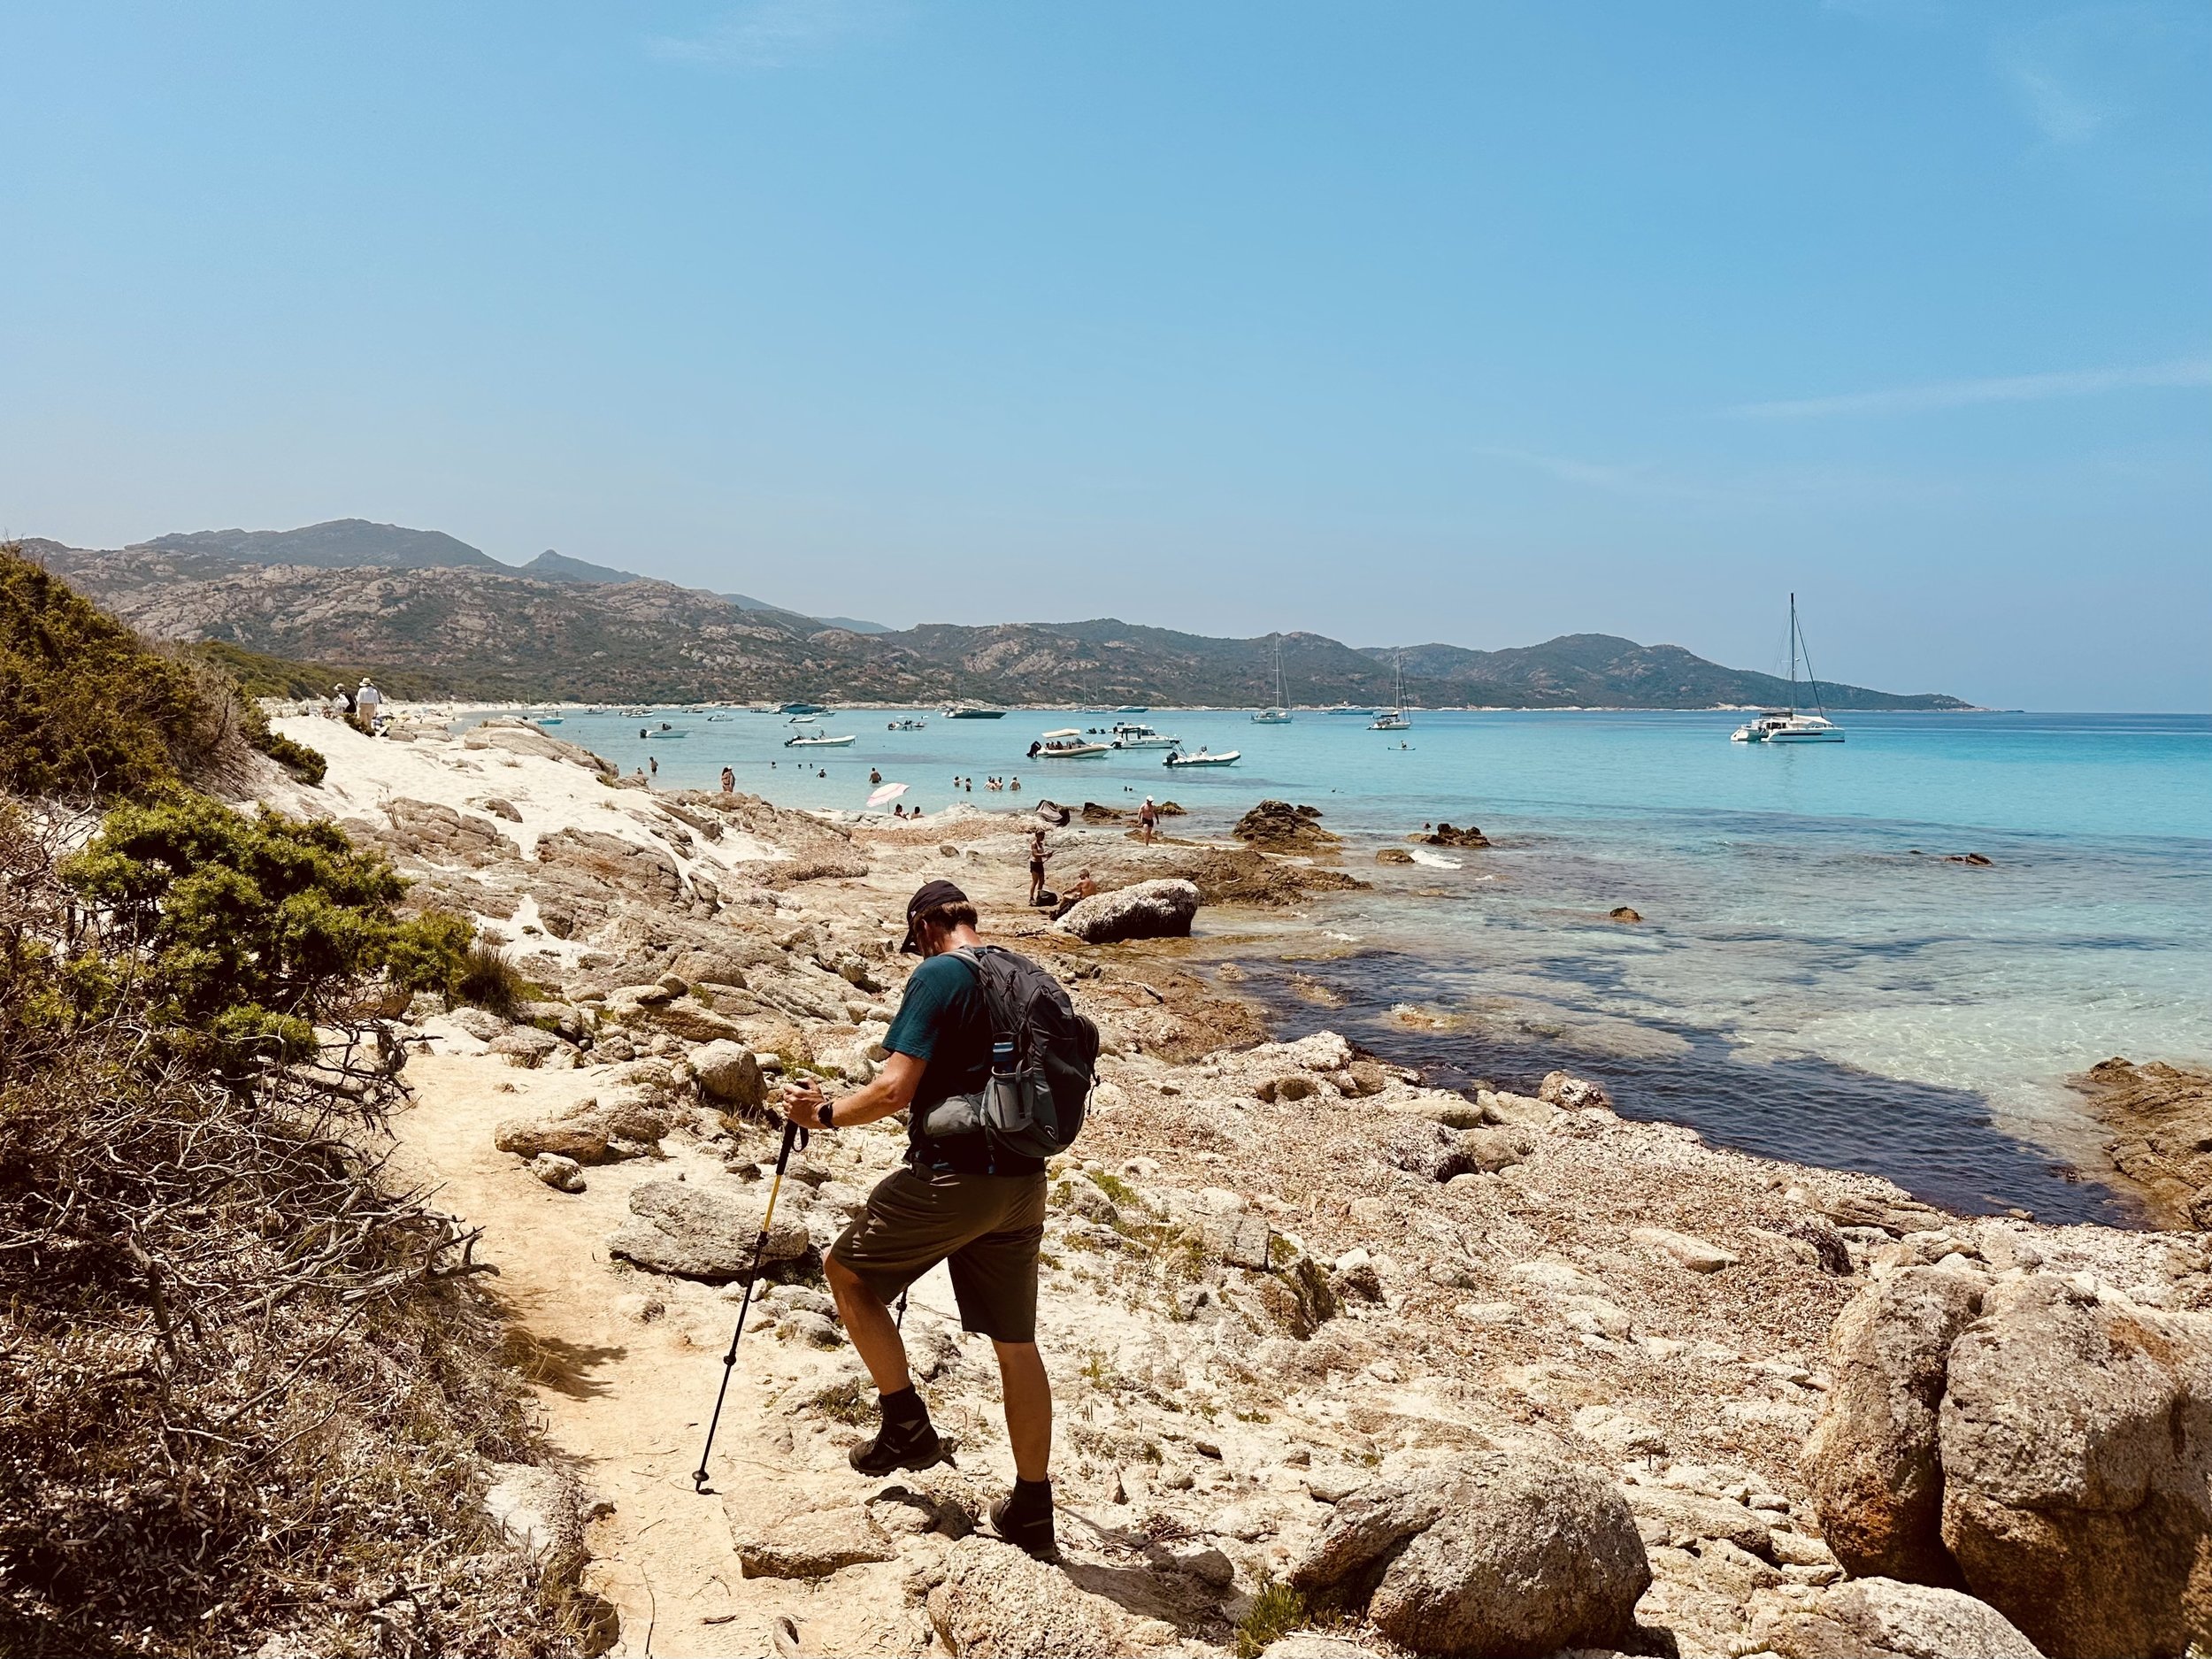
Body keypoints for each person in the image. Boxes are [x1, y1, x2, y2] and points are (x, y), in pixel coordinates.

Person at [780, 881, 1057, 1557]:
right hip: (1024, 1179)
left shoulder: (938, 975)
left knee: (846, 1273)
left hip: (956, 1177)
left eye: (917, 939)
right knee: (1016, 1344)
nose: (919, 949)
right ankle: (1032, 1507)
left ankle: (906, 1425)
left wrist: (820, 1113)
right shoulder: (1021, 973)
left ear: (928, 925)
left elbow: (893, 1088)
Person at [1027, 828, 1048, 906]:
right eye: (1041, 835)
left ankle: (1039, 896)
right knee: (1035, 881)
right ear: (1037, 836)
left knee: (1042, 881)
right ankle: (1031, 897)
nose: (1042, 837)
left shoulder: (1041, 844)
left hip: (1040, 863)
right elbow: (1035, 854)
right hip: (1035, 863)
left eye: (1043, 835)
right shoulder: (1034, 844)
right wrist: (1044, 855)